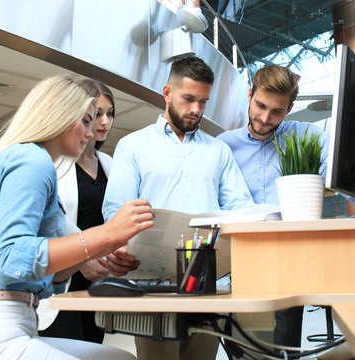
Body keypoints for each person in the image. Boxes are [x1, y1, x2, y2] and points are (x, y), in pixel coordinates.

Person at [0, 75, 154, 359]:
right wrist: (106, 234)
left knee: (120, 357)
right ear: (60, 116)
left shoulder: (30, 161)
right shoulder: (33, 160)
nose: (90, 131)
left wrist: (103, 248)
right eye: (85, 120)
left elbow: (49, 270)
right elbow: (11, 259)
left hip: (9, 320)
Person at [103, 56, 254, 360]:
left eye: (203, 101)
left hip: (207, 286)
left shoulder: (219, 151)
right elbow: (116, 213)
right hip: (150, 284)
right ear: (167, 92)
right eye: (188, 99)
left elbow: (240, 207)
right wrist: (116, 248)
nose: (196, 109)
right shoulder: (132, 147)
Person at [217, 65, 329, 351]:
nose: (265, 118)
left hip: (291, 262)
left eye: (277, 111)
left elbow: (338, 174)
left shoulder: (309, 138)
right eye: (260, 106)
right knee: (240, 345)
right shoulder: (223, 147)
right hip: (239, 263)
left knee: (286, 345)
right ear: (250, 94)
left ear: (290, 108)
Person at [38, 79, 138, 343]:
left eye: (111, 114)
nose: (104, 122)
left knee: (94, 347)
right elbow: (48, 226)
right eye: (97, 114)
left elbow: (115, 223)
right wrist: (82, 258)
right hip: (64, 278)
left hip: (98, 282)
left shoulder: (111, 164)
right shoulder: (54, 164)